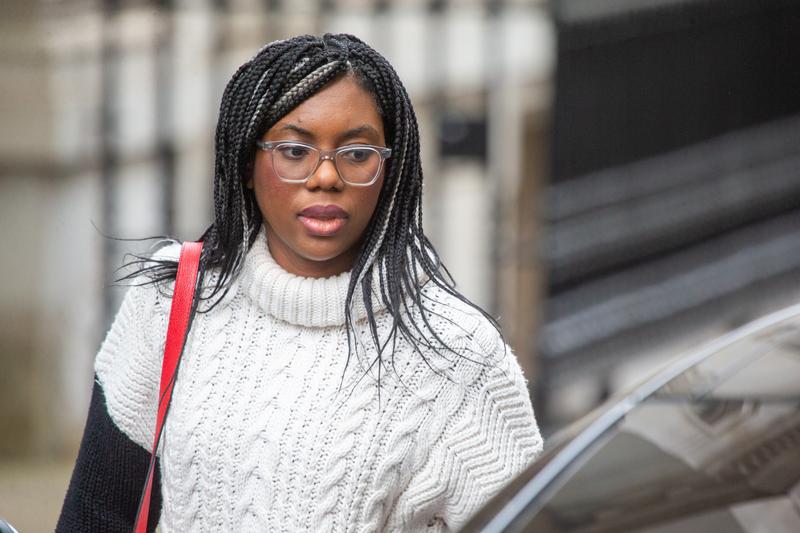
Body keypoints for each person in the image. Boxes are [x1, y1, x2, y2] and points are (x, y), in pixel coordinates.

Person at [57, 33, 542, 532]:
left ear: (389, 169)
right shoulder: (170, 301)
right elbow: (95, 515)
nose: (326, 176)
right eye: (294, 150)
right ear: (247, 163)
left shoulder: (458, 354)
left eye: (356, 153)